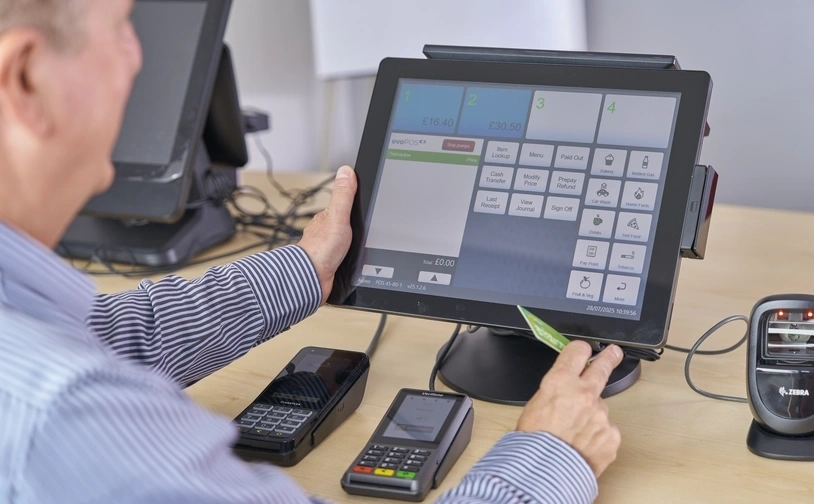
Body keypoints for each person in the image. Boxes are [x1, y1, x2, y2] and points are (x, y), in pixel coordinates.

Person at [0, 0, 624, 502]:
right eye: (120, 29)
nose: (136, 58)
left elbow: (109, 336)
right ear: (24, 75)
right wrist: (551, 457)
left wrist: (305, 269)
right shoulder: (69, 418)